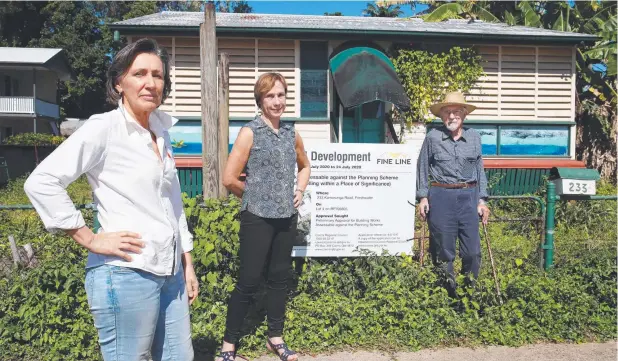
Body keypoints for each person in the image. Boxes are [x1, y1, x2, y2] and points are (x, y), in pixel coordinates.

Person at [24, 38, 197, 361]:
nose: (150, 83)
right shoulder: (104, 128)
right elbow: (42, 182)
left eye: (158, 76)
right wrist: (88, 238)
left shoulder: (161, 132)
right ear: (119, 83)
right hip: (126, 273)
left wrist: (187, 262)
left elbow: (172, 201)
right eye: (140, 74)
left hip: (170, 272)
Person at [217, 72, 311, 361]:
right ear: (260, 99)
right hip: (256, 217)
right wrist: (253, 195)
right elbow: (229, 178)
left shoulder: (291, 132)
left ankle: (276, 338)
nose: (277, 101)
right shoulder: (250, 132)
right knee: (248, 279)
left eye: (281, 95)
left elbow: (305, 166)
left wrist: (300, 190)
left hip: (286, 217)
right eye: (270, 95)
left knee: (279, 279)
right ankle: (228, 346)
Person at [416, 91, 490, 296]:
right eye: (447, 112)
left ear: (464, 114)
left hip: (469, 196)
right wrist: (423, 197)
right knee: (443, 250)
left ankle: (469, 294)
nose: (452, 116)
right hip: (441, 196)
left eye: (456, 111)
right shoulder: (432, 138)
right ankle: (447, 295)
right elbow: (422, 166)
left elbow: (479, 168)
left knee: (472, 252)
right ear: (441, 116)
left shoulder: (474, 137)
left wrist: (482, 200)